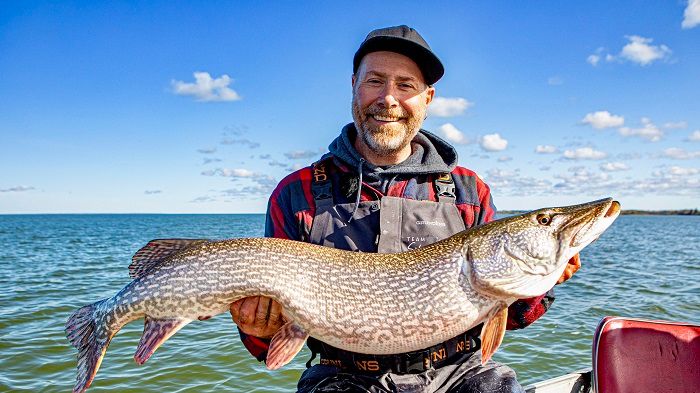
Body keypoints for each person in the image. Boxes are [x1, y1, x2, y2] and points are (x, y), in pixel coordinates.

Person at [230, 25, 581, 393]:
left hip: (459, 371)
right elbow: (269, 342)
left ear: (427, 99)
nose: (388, 98)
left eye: (405, 85)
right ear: (354, 85)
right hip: (342, 375)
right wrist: (259, 327)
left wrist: (540, 281)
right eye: (375, 81)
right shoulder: (296, 192)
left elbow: (509, 315)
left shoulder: (468, 190)